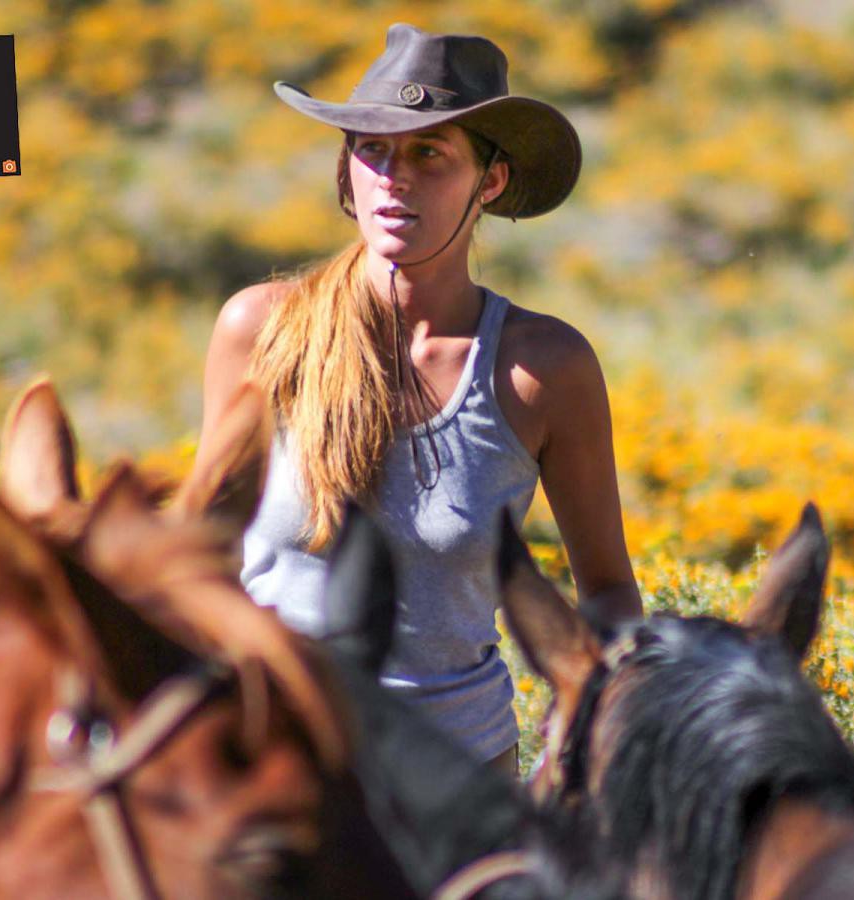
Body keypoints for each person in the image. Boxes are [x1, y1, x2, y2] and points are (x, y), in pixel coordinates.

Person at [197, 23, 642, 776]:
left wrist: (603, 721)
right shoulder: (263, 333)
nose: (394, 179)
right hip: (273, 775)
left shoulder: (541, 370)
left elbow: (604, 589)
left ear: (489, 182)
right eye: (373, 152)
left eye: (430, 154)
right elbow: (197, 551)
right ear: (346, 172)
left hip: (460, 790)